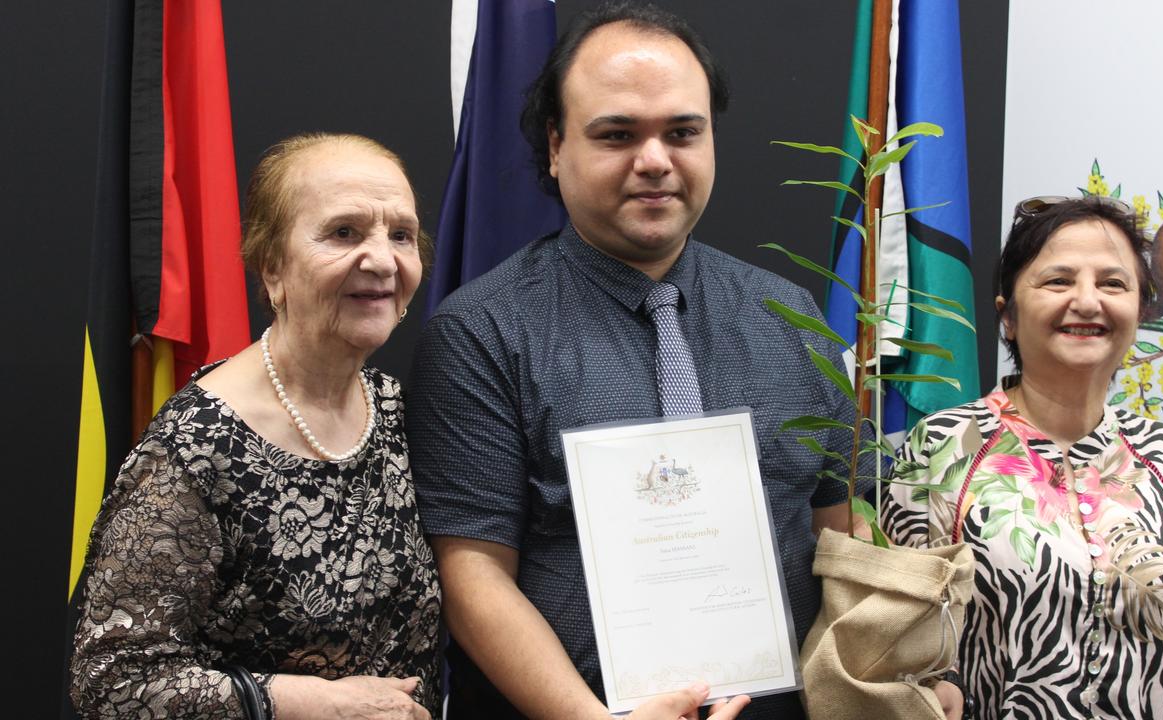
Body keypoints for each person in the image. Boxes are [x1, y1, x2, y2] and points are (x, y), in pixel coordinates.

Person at [405, 3, 888, 718]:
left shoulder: (791, 319)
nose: (655, 160)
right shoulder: (481, 333)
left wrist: (891, 668)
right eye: (618, 134)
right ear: (555, 146)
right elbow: (473, 579)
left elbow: (844, 532)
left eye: (682, 132)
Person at [70, 133, 442, 719]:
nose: (382, 259)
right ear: (272, 268)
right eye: (344, 232)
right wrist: (305, 703)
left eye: (400, 234)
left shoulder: (394, 407)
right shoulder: (197, 446)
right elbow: (112, 683)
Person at [881, 195, 1163, 718]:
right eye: (1058, 281)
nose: (1088, 301)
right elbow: (892, 643)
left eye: (1113, 283)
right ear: (1008, 317)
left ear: (1139, 312)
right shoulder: (942, 450)